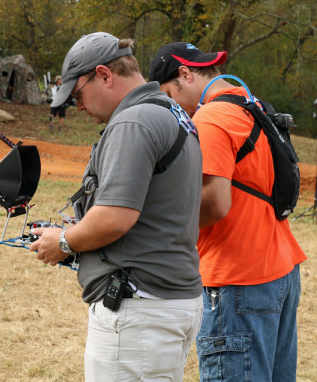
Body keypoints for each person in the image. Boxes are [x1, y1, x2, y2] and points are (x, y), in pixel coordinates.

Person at [31, 32, 204, 381]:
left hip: (138, 311)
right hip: (168, 302)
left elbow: (115, 217)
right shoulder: (173, 112)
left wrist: (63, 240)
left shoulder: (133, 122)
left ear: (104, 75)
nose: (78, 106)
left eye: (78, 94)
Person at [148, 42, 307, 381]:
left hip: (238, 277)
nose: (172, 107)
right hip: (280, 269)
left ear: (185, 74)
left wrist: (168, 232)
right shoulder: (253, 105)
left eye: (169, 96)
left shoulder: (211, 117)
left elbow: (216, 202)